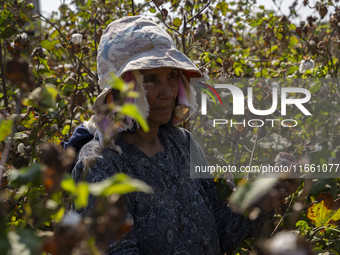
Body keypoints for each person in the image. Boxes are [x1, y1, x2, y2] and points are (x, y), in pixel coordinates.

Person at [66, 16, 299, 254]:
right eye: (150, 80)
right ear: (122, 88)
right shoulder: (99, 163)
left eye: (171, 76)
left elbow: (217, 235)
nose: (168, 92)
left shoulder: (183, 144)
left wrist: (264, 197)